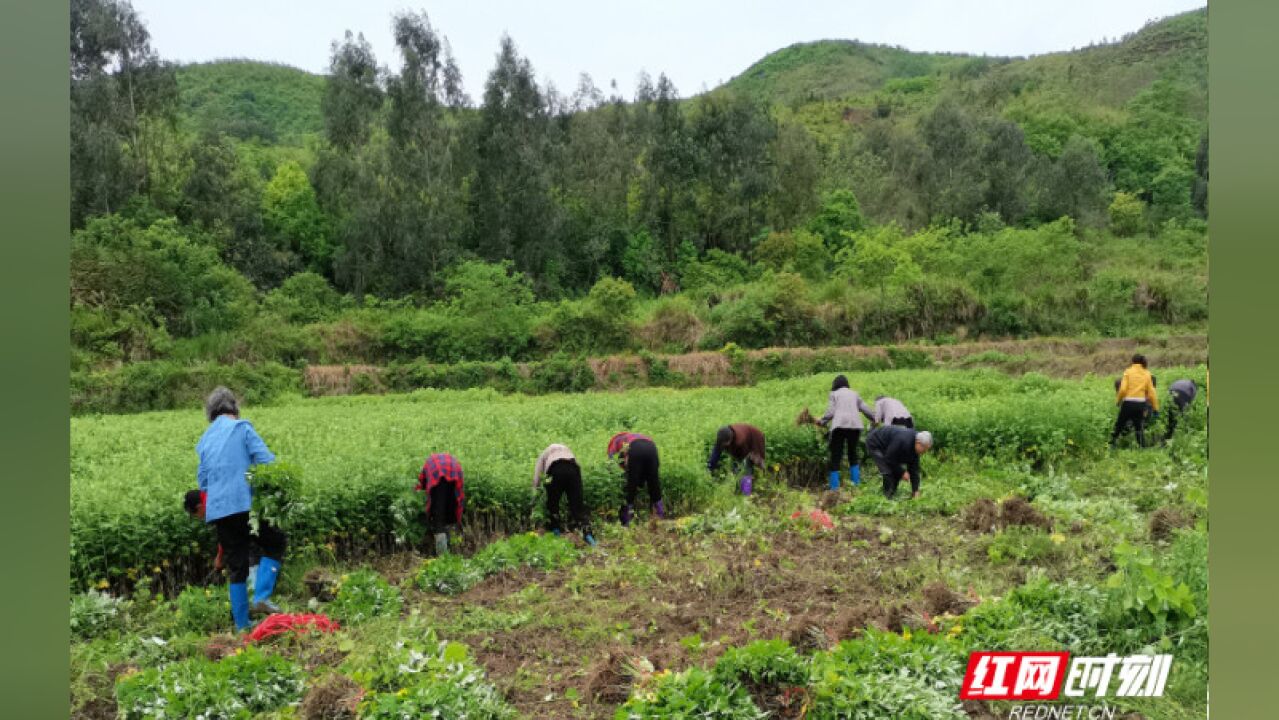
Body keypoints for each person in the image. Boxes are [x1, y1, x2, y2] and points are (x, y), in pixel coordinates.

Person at [196, 387, 285, 631]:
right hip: (245, 503)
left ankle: (242, 626)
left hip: (219, 511)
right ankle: (261, 598)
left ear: (211, 413)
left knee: (236, 564)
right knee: (275, 542)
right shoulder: (242, 428)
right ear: (233, 408)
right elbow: (267, 462)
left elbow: (203, 481)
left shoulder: (204, 441)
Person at [818, 375, 876, 490]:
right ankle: (856, 484)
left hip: (839, 426)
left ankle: (834, 488)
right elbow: (865, 408)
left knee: (836, 456)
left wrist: (822, 421)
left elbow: (831, 411)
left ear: (835, 385)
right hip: (855, 426)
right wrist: (874, 418)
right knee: (852, 453)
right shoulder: (855, 394)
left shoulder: (834, 394)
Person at [533, 444, 596, 546]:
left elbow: (536, 478)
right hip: (573, 470)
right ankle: (589, 537)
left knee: (552, 505)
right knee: (577, 508)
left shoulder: (544, 454)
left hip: (555, 470)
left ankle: (556, 533)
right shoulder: (568, 451)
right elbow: (577, 468)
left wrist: (534, 497)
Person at [607, 432, 663, 526]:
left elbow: (613, 460)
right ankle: (660, 516)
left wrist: (624, 472)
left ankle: (626, 521)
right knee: (654, 483)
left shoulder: (616, 441)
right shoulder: (639, 436)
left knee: (630, 486)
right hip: (652, 449)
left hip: (635, 449)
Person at [416, 453, 465, 556]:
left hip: (439, 474)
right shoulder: (433, 462)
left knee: (438, 517)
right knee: (451, 507)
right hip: (455, 471)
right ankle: (449, 546)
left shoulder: (428, 468)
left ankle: (442, 555)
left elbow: (424, 487)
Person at [865, 426, 933, 499]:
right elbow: (889, 458)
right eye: (924, 449)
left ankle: (891, 494)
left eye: (927, 449)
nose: (925, 452)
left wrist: (915, 490)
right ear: (918, 443)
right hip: (875, 443)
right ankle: (886, 498)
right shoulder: (903, 441)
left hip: (889, 448)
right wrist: (902, 472)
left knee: (896, 471)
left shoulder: (915, 448)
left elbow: (914, 470)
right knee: (887, 471)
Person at [1111, 354, 1159, 449]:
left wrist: (1118, 400)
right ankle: (1142, 447)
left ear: (1132, 362)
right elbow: (1151, 393)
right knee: (1139, 427)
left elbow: (1123, 389)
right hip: (1141, 404)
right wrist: (1155, 408)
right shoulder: (1147, 373)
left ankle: (1112, 444)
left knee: (1119, 424)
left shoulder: (1128, 372)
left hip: (1128, 403)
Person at [707, 424, 766, 496]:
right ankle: (738, 491)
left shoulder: (740, 440)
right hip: (745, 436)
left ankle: (746, 494)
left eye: (725, 444)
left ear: (730, 439)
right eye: (722, 443)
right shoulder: (722, 437)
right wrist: (710, 468)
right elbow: (716, 452)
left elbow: (742, 458)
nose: (724, 446)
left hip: (754, 439)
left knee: (747, 468)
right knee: (736, 470)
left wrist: (738, 469)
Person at [1162, 378, 1199, 443]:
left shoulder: (1181, 381)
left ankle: (1168, 433)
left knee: (1171, 412)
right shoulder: (1193, 387)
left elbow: (1170, 388)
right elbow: (1190, 400)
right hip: (1183, 395)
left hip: (1171, 391)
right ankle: (1182, 432)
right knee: (1182, 414)